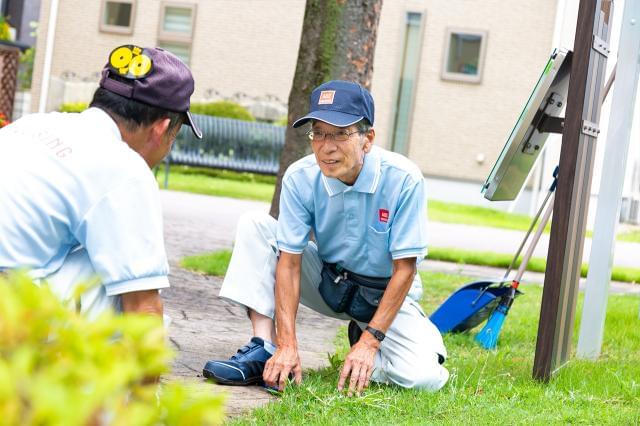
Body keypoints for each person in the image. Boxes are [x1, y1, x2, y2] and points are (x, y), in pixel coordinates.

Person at [203, 80, 448, 394]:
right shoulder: (300, 177)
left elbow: (405, 270)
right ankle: (265, 347)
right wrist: (288, 345)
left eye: (340, 134)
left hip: (384, 293)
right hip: (329, 281)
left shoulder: (403, 178)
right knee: (255, 225)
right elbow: (289, 263)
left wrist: (371, 343)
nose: (326, 146)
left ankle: (365, 340)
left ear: (367, 139)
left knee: (422, 378)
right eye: (318, 133)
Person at [0, 44, 202, 319]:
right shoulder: (126, 169)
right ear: (162, 128)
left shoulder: (30, 125)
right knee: (130, 275)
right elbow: (144, 308)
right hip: (12, 321)